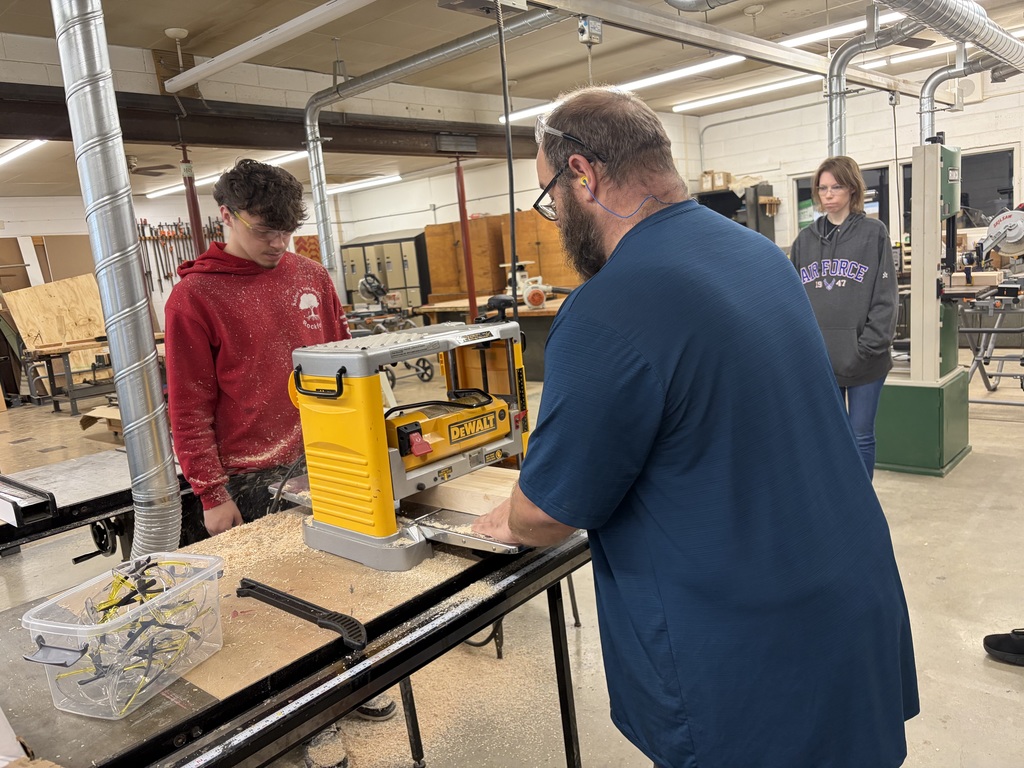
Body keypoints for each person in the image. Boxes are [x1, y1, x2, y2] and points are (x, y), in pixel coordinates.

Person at [473, 87, 918, 768]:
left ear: (582, 174)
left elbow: (547, 514)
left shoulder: (607, 309)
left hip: (750, 658)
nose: (556, 217)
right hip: (851, 603)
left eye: (550, 197)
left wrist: (502, 519)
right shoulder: (759, 255)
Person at [163, 159, 393, 767]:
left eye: (287, 230)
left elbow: (346, 364)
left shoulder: (310, 276)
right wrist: (212, 494)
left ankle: (352, 682)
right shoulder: (195, 297)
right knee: (285, 601)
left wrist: (372, 442)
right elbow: (187, 404)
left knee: (347, 579)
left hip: (328, 458)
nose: (278, 244)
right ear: (226, 216)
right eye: (264, 230)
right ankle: (304, 716)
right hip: (250, 475)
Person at [790, 156, 898, 479]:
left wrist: (866, 348)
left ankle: (860, 500)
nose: (828, 194)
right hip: (822, 362)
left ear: (852, 189)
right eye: (822, 188)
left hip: (865, 361)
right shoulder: (804, 241)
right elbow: (792, 301)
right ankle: (837, 498)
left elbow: (886, 298)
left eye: (836, 187)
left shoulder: (874, 234)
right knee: (828, 438)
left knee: (860, 435)